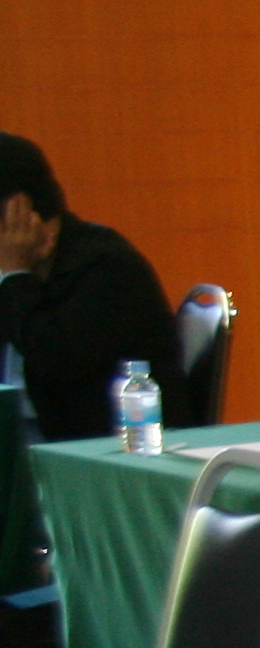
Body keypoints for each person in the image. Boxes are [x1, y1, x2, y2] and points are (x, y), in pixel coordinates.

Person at [0, 134, 181, 444]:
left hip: (96, 448)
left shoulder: (106, 266)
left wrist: (16, 274)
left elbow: (54, 362)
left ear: (19, 212)